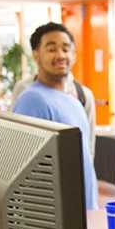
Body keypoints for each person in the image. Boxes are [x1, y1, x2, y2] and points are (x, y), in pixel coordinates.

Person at [13, 22, 97, 209]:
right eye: (51, 49)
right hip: (56, 219)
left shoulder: (75, 101)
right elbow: (24, 171)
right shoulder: (32, 100)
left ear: (74, 55)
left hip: (86, 209)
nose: (60, 55)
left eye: (66, 49)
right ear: (36, 55)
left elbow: (87, 157)